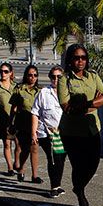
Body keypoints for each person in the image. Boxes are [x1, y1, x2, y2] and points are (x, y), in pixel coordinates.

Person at [58, 44, 103, 206]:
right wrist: (92, 104)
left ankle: (78, 187)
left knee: (93, 164)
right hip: (71, 132)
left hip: (92, 129)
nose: (80, 61)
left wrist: (85, 105)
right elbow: (66, 107)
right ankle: (80, 197)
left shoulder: (93, 76)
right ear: (70, 60)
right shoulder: (64, 79)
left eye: (83, 58)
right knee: (78, 165)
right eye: (76, 58)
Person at [31, 66, 67, 197]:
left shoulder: (68, 91)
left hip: (64, 132)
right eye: (53, 76)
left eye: (59, 77)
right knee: (52, 158)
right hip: (47, 132)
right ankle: (54, 186)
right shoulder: (43, 93)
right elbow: (35, 112)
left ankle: (58, 184)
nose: (56, 79)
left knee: (61, 158)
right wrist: (33, 132)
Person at [10, 64, 42, 183]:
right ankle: (21, 169)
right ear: (26, 76)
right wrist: (11, 123)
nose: (32, 77)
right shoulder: (19, 89)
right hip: (21, 122)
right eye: (30, 75)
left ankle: (34, 176)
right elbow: (13, 108)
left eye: (35, 75)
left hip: (34, 124)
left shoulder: (40, 91)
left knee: (34, 149)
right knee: (22, 148)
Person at [0, 62, 19, 175]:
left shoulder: (16, 87)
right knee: (7, 144)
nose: (3, 73)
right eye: (1, 71)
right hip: (3, 121)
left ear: (10, 73)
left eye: (6, 71)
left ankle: (17, 163)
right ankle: (10, 168)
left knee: (18, 144)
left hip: (16, 120)